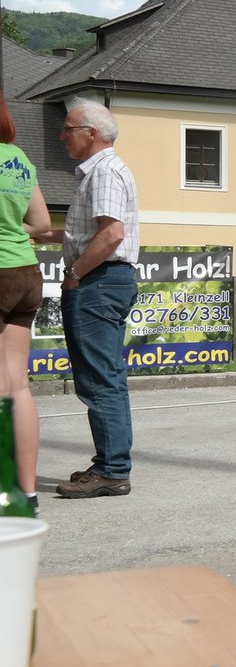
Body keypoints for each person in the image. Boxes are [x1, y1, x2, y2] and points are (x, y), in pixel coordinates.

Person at [34, 99, 143, 499]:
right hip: (107, 280)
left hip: (98, 281)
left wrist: (75, 274)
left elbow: (111, 234)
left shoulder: (104, 172)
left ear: (91, 133)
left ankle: (112, 469)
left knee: (99, 379)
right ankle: (111, 465)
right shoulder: (103, 171)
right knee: (106, 376)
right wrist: (41, 234)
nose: (62, 136)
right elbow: (87, 233)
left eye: (68, 129)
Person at [0, 93, 50, 507]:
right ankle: (26, 492)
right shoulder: (18, 158)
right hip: (24, 271)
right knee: (17, 384)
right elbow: (42, 222)